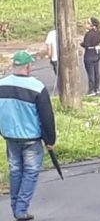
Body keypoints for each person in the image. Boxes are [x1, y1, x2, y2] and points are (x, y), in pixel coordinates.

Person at [0, 51, 57, 221]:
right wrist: (50, 140)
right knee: (30, 172)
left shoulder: (1, 85)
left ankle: (15, 206)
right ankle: (21, 209)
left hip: (10, 136)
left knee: (15, 171)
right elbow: (46, 116)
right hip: (31, 138)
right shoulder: (37, 87)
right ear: (28, 66)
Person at [81, 18, 100, 96]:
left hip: (89, 54)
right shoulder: (98, 32)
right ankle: (97, 88)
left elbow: (86, 44)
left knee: (91, 73)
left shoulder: (89, 34)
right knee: (96, 72)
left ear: (91, 25)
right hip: (96, 53)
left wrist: (81, 44)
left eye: (87, 23)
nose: (85, 24)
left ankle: (91, 90)